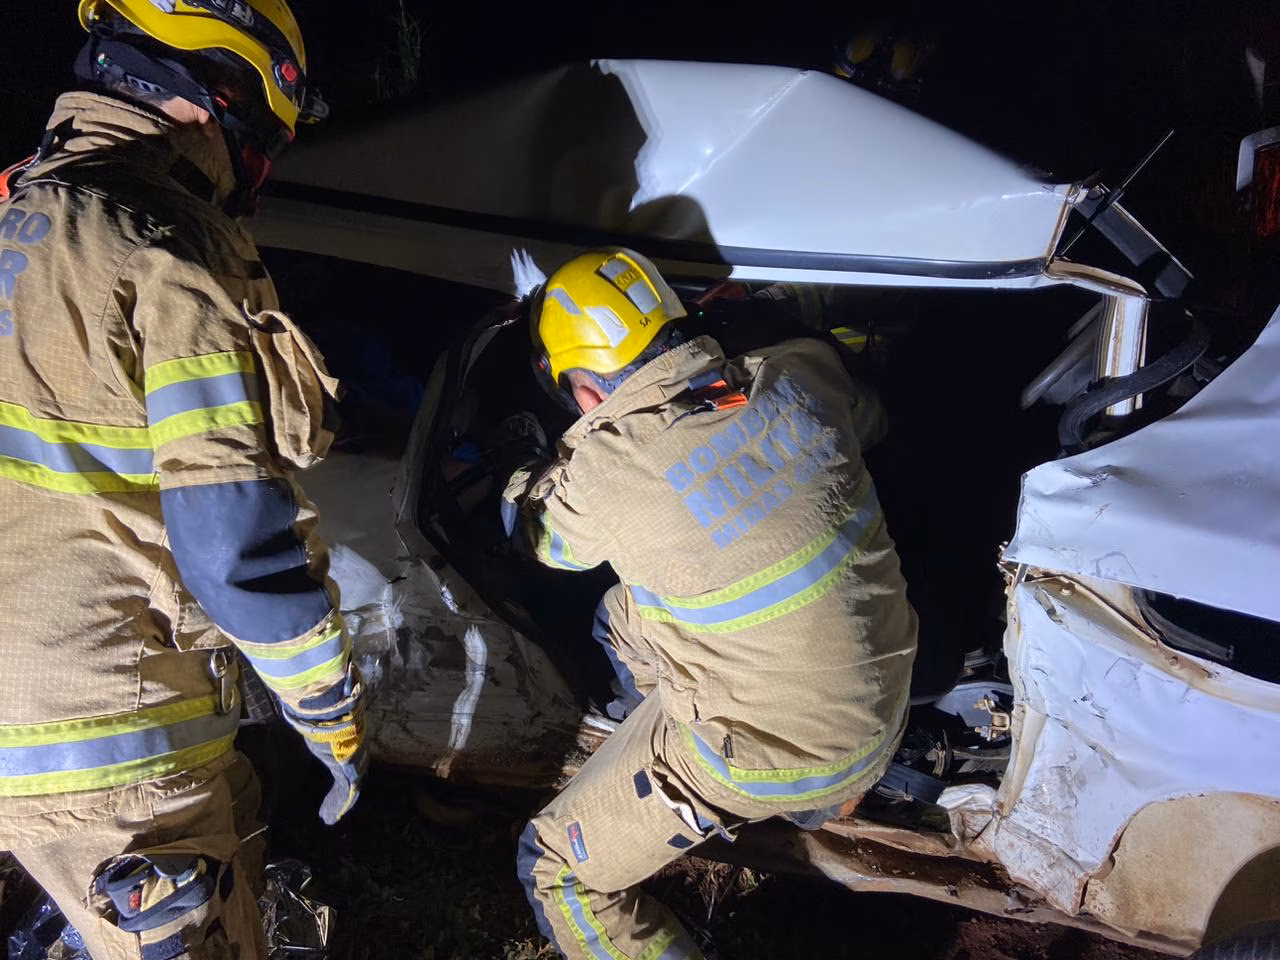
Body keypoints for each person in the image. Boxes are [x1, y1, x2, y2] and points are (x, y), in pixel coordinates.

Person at [0, 2, 365, 957]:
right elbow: (231, 539)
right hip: (107, 747)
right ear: (223, 97)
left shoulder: (11, 218)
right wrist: (330, 712)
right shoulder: (163, 242)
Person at [505, 248, 918, 959]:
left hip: (785, 753)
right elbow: (871, 419)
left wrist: (521, 467)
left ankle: (731, 781)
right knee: (622, 614)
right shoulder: (800, 371)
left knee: (556, 871)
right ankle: (723, 767)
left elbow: (541, 541)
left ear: (586, 395)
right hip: (884, 700)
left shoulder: (603, 477)